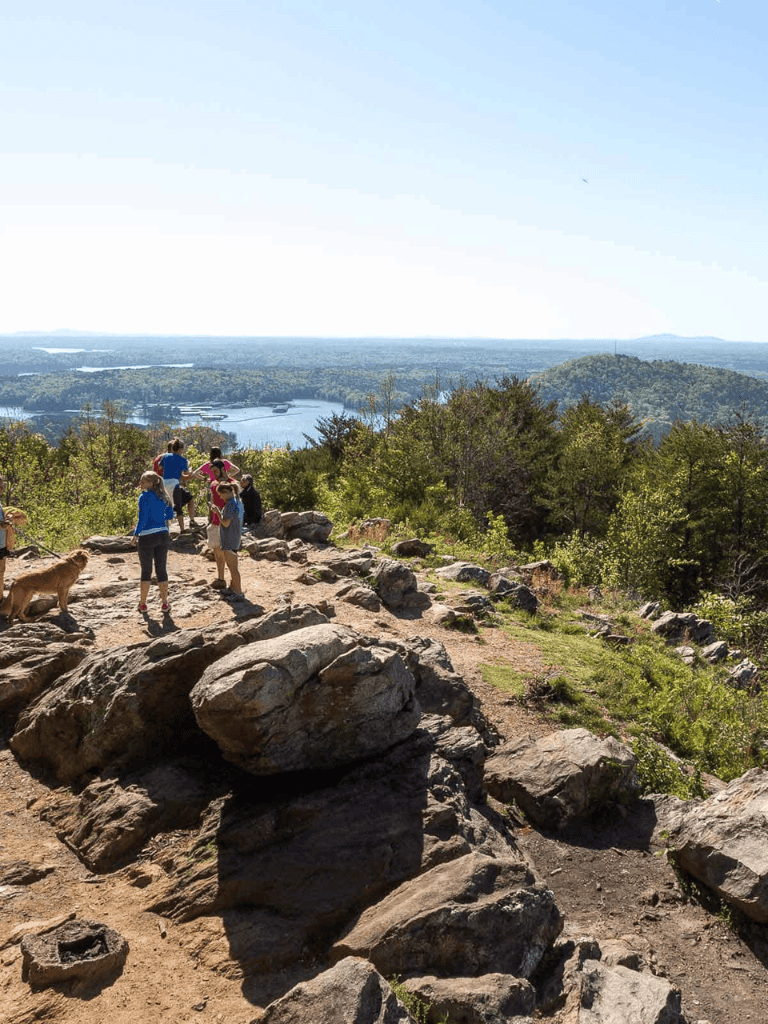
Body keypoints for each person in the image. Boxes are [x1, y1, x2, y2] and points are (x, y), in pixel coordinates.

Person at [131, 470, 175, 614]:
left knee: (146, 570)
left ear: (150, 483)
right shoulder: (164, 496)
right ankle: (164, 603)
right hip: (163, 534)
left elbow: (142, 518)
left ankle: (143, 604)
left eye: (143, 481)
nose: (140, 483)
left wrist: (136, 534)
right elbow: (170, 514)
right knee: (161, 569)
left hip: (147, 537)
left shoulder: (143, 497)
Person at [206, 459, 233, 589]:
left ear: (223, 469)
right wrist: (211, 518)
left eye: (216, 471)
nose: (214, 474)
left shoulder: (232, 484)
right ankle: (221, 578)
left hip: (228, 523)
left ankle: (234, 581)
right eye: (212, 472)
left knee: (230, 553)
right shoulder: (213, 484)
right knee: (217, 552)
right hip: (216, 522)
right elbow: (212, 502)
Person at [0, 475, 27, 597]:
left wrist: (8, 519)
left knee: (1, 573)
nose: (2, 489)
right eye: (0, 486)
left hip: (2, 544)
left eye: (2, 486)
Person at [216, 480, 243, 596]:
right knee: (232, 567)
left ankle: (238, 592)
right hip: (232, 538)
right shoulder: (234, 502)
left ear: (226, 492)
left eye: (221, 495)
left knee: (233, 569)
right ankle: (233, 588)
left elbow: (226, 523)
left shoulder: (231, 504)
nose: (220, 497)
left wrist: (217, 512)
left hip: (230, 539)